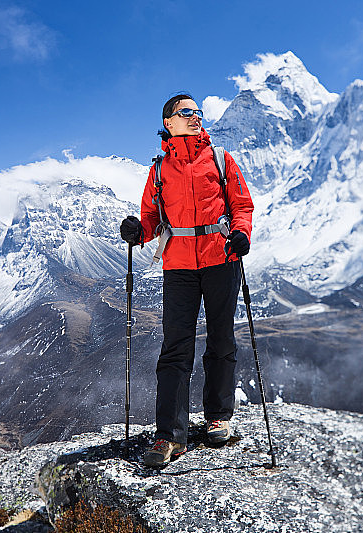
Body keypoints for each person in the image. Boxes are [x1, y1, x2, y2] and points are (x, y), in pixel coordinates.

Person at [120, 93, 254, 467]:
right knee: (176, 348)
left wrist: (241, 233)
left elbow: (241, 206)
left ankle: (218, 418)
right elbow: (151, 218)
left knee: (221, 339)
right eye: (186, 113)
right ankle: (169, 435)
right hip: (178, 266)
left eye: (198, 112)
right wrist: (137, 230)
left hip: (220, 258)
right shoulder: (160, 170)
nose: (195, 118)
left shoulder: (220, 159)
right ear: (169, 123)